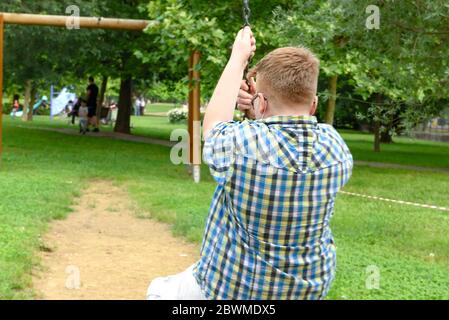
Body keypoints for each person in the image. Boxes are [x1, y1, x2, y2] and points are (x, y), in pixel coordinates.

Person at [147, 27, 353, 300]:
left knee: (159, 291)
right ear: (314, 104)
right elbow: (286, 148)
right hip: (305, 291)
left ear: (263, 102)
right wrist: (260, 114)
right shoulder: (336, 148)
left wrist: (238, 58)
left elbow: (212, 129)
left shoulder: (242, 145)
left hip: (233, 289)